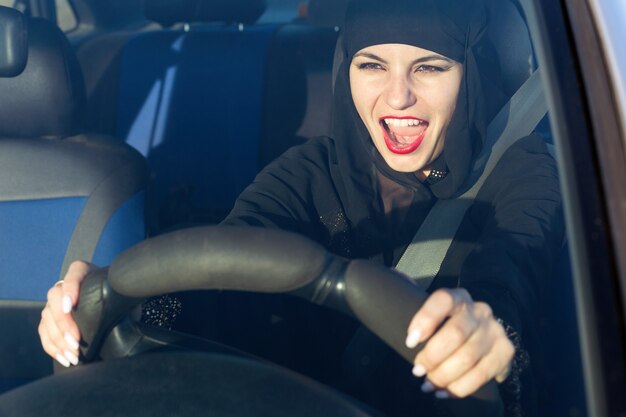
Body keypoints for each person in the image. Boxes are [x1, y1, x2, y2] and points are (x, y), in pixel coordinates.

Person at [38, 0, 563, 415]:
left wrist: (489, 338)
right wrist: (105, 303)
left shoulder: (521, 173)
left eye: (429, 67)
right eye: (372, 64)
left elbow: (515, 269)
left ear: (469, 73)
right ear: (346, 70)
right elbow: (220, 266)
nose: (397, 97)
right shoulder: (312, 169)